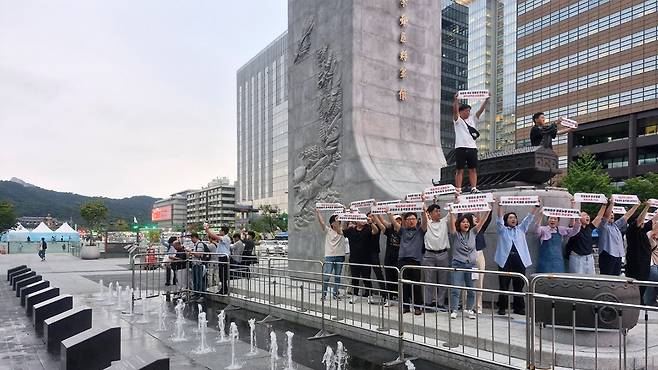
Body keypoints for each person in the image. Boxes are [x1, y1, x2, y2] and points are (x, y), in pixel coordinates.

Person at [495, 198, 543, 315]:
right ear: (507, 220)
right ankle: (502, 307)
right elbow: (499, 219)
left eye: (514, 218)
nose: (513, 219)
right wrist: (500, 205)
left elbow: (528, 219)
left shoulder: (521, 229)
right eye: (510, 218)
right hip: (505, 260)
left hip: (519, 260)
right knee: (504, 285)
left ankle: (519, 308)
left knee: (519, 285)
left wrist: (536, 206)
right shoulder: (502, 230)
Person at [388, 197, 428, 315]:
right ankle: (405, 306)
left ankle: (417, 307)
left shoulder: (420, 231)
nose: (411, 221)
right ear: (405, 220)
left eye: (413, 219)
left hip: (415, 261)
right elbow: (394, 223)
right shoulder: (403, 231)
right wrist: (388, 212)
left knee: (416, 285)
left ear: (417, 220)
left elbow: (425, 222)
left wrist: (424, 210)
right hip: (402, 261)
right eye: (409, 219)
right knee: (404, 284)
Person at [448, 209, 490, 319]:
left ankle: (469, 310)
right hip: (458, 264)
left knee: (471, 289)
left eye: (467, 222)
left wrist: (488, 211)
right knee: (456, 289)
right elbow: (452, 225)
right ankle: (454, 309)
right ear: (459, 224)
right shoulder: (455, 234)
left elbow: (482, 221)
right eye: (463, 222)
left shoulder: (473, 232)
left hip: (471, 265)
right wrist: (452, 212)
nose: (466, 224)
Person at [452, 93, 489, 194]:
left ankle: (474, 188)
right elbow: (455, 111)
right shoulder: (457, 120)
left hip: (472, 148)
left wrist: (486, 100)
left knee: (473, 169)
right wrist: (456, 101)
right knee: (460, 169)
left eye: (469, 111)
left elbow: (480, 111)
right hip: (460, 148)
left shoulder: (472, 119)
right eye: (466, 111)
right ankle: (458, 189)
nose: (468, 112)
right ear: (461, 111)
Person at [533, 201, 581, 273]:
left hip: (558, 261)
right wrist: (540, 216)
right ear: (548, 220)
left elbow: (574, 231)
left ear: (558, 222)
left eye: (555, 219)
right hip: (545, 261)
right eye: (551, 218)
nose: (552, 220)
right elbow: (536, 230)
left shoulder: (561, 229)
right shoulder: (543, 229)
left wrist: (577, 219)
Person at [343, 213, 379, 304]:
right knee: (355, 278)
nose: (363, 220)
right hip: (354, 259)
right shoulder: (351, 230)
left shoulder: (368, 228)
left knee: (366, 278)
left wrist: (371, 223)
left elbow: (376, 231)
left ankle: (370, 296)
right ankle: (355, 295)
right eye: (361, 219)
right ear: (356, 220)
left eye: (364, 219)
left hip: (366, 259)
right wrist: (344, 218)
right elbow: (342, 231)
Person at [625, 203, 658, 302]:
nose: (644, 222)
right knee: (636, 290)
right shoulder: (632, 230)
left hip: (644, 265)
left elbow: (654, 220)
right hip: (636, 266)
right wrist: (647, 207)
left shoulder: (643, 230)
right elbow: (639, 220)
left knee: (643, 288)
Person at [598, 201, 639, 276]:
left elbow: (626, 216)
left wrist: (636, 206)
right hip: (607, 255)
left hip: (618, 255)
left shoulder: (615, 225)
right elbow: (606, 217)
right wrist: (611, 203)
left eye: (613, 214)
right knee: (607, 278)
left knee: (616, 278)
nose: (612, 215)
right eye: (610, 213)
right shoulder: (602, 226)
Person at [422, 204, 451, 310]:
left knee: (443, 280)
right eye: (436, 211)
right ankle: (428, 303)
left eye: (439, 211)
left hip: (443, 254)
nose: (439, 213)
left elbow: (452, 212)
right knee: (429, 281)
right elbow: (423, 215)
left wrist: (457, 199)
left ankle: (440, 303)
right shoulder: (426, 224)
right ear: (429, 213)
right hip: (429, 254)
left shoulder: (444, 221)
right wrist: (423, 203)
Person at [565, 206, 607, 274]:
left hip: (589, 257)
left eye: (588, 215)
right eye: (585, 215)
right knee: (577, 279)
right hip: (577, 257)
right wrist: (573, 205)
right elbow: (573, 216)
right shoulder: (574, 229)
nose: (587, 216)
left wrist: (604, 205)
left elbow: (599, 217)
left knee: (590, 278)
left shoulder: (589, 228)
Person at [316, 208, 345, 300]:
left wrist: (345, 211)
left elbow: (345, 220)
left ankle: (335, 294)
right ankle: (324, 295)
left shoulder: (342, 231)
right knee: (327, 276)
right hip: (329, 256)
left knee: (337, 277)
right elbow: (322, 222)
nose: (338, 222)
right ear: (332, 223)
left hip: (340, 256)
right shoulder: (328, 230)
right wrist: (318, 212)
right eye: (336, 220)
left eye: (339, 220)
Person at [374, 214, 401, 304]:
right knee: (389, 278)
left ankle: (400, 297)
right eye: (396, 220)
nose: (398, 222)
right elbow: (381, 223)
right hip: (389, 258)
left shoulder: (403, 231)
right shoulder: (389, 230)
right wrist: (376, 213)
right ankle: (389, 298)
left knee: (399, 279)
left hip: (400, 259)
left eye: (399, 220)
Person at [473, 210, 493, 314]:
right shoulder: (466, 231)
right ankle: (466, 305)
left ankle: (478, 306)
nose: (475, 219)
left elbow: (488, 218)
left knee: (479, 281)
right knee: (466, 282)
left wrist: (491, 207)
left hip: (479, 254)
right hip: (466, 256)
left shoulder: (481, 229)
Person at [366, 212, 387, 304]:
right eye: (369, 216)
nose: (371, 218)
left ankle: (384, 295)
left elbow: (378, 230)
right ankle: (368, 294)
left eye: (372, 216)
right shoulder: (364, 226)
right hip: (365, 253)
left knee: (378, 274)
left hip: (374, 253)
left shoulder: (376, 226)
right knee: (366, 274)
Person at [204, 225, 231, 295]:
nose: (219, 232)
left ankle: (224, 289)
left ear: (223, 231)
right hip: (221, 257)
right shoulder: (224, 238)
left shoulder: (226, 238)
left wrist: (208, 230)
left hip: (224, 257)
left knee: (223, 274)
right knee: (221, 274)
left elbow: (215, 236)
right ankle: (224, 288)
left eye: (220, 230)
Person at [188, 232, 208, 302]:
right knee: (196, 280)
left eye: (191, 238)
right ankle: (196, 294)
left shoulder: (200, 244)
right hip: (195, 264)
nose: (191, 239)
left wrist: (190, 252)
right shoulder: (195, 245)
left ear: (194, 237)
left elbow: (199, 254)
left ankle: (202, 295)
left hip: (199, 264)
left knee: (200, 280)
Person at [643, 219, 658, 305]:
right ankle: (649, 301)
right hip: (652, 263)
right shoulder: (649, 235)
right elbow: (651, 234)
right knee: (654, 276)